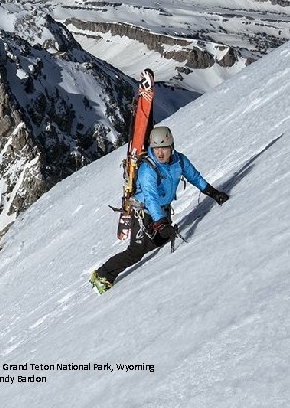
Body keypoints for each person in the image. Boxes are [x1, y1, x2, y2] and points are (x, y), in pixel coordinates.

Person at [90, 126, 229, 294]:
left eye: (163, 148)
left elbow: (195, 177)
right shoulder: (148, 168)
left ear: (171, 147)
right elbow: (150, 197)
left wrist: (213, 193)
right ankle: (102, 274)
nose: (160, 153)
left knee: (161, 241)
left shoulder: (180, 161)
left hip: (162, 210)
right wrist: (160, 221)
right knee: (135, 251)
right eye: (156, 149)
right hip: (144, 212)